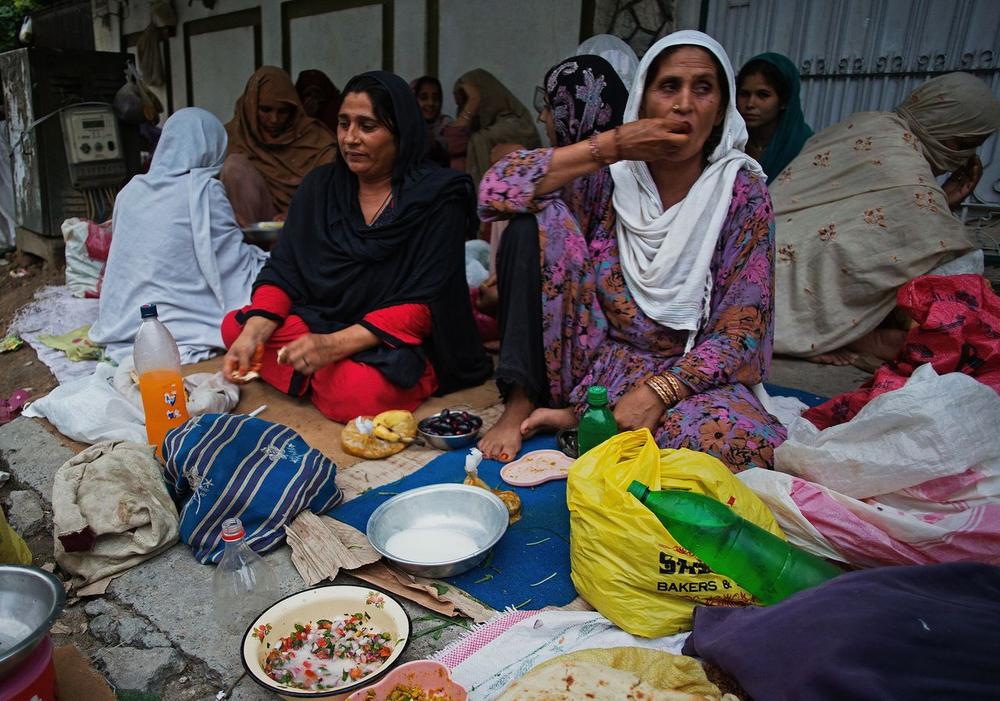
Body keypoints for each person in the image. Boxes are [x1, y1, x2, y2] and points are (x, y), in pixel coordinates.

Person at [477, 31, 786, 473]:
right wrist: (616, 144)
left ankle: (583, 419)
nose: (683, 104)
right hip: (596, 361)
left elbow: (741, 330)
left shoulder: (741, 191)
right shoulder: (608, 178)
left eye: (702, 89)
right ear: (642, 102)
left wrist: (660, 392)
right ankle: (575, 410)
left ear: (719, 110)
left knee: (738, 448)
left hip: (687, 372)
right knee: (534, 221)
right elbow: (495, 192)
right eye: (668, 87)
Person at [221, 71, 492, 422]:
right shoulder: (320, 187)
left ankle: (315, 373)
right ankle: (316, 370)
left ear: (400, 132)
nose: (350, 138)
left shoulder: (439, 197)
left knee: (356, 394)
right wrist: (254, 335)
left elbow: (426, 303)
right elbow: (284, 269)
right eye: (344, 123)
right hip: (324, 318)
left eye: (367, 126)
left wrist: (331, 346)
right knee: (235, 328)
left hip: (394, 338)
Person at [772, 72, 1000, 365]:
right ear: (948, 132)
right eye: (963, 143)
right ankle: (852, 334)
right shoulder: (906, 165)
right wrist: (938, 203)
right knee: (964, 261)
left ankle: (854, 331)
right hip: (782, 275)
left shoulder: (870, 122)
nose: (962, 155)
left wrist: (941, 201)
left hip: (756, 257)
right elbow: (931, 232)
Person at [90, 108, 268, 363]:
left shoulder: (130, 191)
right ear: (213, 147)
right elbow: (231, 264)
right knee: (273, 278)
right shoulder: (205, 191)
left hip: (125, 318)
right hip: (186, 321)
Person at [221, 66, 337, 227]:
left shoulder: (314, 139)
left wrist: (296, 212)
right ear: (250, 106)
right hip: (249, 234)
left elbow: (329, 185)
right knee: (234, 166)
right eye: (265, 110)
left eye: (283, 111)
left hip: (303, 226)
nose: (274, 119)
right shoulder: (231, 138)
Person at [443, 69, 541, 185]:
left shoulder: (513, 127)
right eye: (463, 105)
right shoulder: (481, 129)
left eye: (467, 102)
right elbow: (451, 144)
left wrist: (474, 100)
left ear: (487, 96)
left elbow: (456, 142)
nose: (465, 109)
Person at [736, 52, 813, 183]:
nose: (750, 104)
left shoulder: (805, 146)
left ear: (783, 101)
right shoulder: (729, 141)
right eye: (744, 94)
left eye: (763, 95)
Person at [410, 75, 451, 167]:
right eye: (423, 98)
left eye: (435, 98)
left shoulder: (446, 124)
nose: (430, 103)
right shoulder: (404, 127)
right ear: (412, 100)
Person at [295, 69, 341, 133]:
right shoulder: (293, 109)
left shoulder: (334, 109)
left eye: (317, 95)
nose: (311, 100)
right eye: (308, 95)